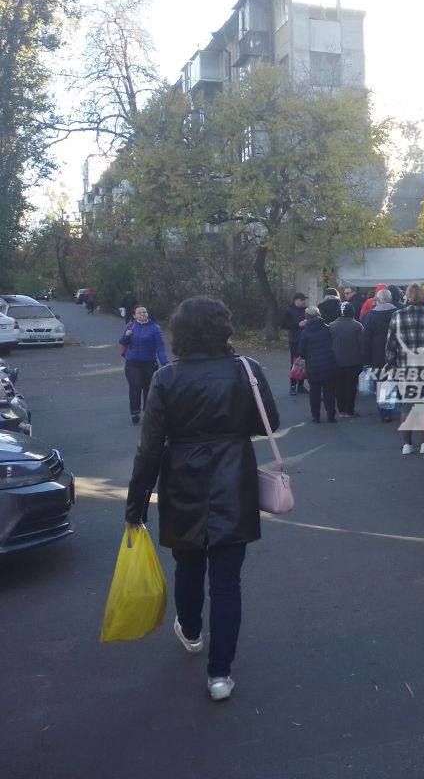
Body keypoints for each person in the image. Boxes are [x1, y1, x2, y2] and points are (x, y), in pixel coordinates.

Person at [124, 296, 280, 702]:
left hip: (183, 483)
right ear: (224, 328)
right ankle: (220, 675)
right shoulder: (247, 369)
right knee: (228, 581)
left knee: (188, 565)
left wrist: (136, 506)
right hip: (235, 481)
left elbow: (150, 448)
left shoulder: (166, 378)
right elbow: (271, 423)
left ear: (180, 332)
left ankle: (191, 632)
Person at [384, 283, 424, 455]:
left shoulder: (397, 316)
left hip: (405, 366)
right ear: (423, 296)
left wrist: (391, 363)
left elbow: (391, 343)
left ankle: (407, 445)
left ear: (407, 296)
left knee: (407, 405)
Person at [120, 306, 168, 424]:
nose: (143, 314)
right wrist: (127, 335)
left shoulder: (154, 328)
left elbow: (160, 346)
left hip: (149, 363)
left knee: (149, 388)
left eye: (144, 312)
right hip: (132, 363)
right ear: (135, 316)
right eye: (140, 312)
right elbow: (122, 341)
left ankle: (148, 411)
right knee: (135, 386)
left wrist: (165, 362)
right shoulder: (130, 326)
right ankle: (135, 412)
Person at [362, 289, 397, 421]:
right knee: (394, 381)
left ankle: (384, 412)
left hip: (377, 355)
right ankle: (393, 407)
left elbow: (366, 339)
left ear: (378, 300)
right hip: (396, 354)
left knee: (381, 383)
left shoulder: (370, 316)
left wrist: (365, 359)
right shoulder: (398, 313)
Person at [297, 306, 338, 422]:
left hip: (313, 366)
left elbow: (301, 351)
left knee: (314, 392)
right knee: (329, 392)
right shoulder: (328, 328)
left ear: (306, 317)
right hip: (329, 364)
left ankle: (316, 416)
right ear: (319, 315)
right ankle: (331, 415)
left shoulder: (305, 332)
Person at [329, 303, 364, 418]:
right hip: (354, 361)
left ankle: (341, 409)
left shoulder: (331, 326)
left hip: (336, 361)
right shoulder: (358, 326)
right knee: (351, 386)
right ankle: (349, 410)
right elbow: (362, 345)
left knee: (339, 387)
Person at [279, 292, 308, 395]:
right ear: (296, 300)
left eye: (304, 300)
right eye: (302, 300)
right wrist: (298, 325)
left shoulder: (306, 310)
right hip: (294, 340)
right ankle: (292, 386)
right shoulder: (289, 311)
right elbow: (283, 325)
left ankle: (301, 386)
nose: (304, 301)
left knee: (304, 363)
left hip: (305, 339)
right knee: (295, 363)